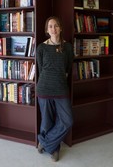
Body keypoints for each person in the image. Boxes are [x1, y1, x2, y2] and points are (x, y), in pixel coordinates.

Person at [36, 16, 74, 162]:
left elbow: (68, 68)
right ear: (47, 30)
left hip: (61, 89)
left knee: (67, 120)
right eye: (50, 26)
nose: (53, 29)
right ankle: (55, 148)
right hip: (44, 89)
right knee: (47, 122)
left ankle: (44, 143)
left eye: (56, 25)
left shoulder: (68, 47)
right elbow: (41, 69)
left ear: (61, 28)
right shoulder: (41, 47)